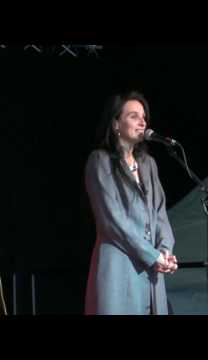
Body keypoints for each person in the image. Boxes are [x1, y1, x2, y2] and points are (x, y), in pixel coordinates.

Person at [84, 90, 178, 315]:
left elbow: (160, 214)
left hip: (152, 272)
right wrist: (152, 255)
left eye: (144, 116)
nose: (142, 121)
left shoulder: (148, 164)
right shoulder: (100, 162)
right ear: (116, 124)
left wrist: (164, 251)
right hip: (120, 268)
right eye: (133, 115)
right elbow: (112, 220)